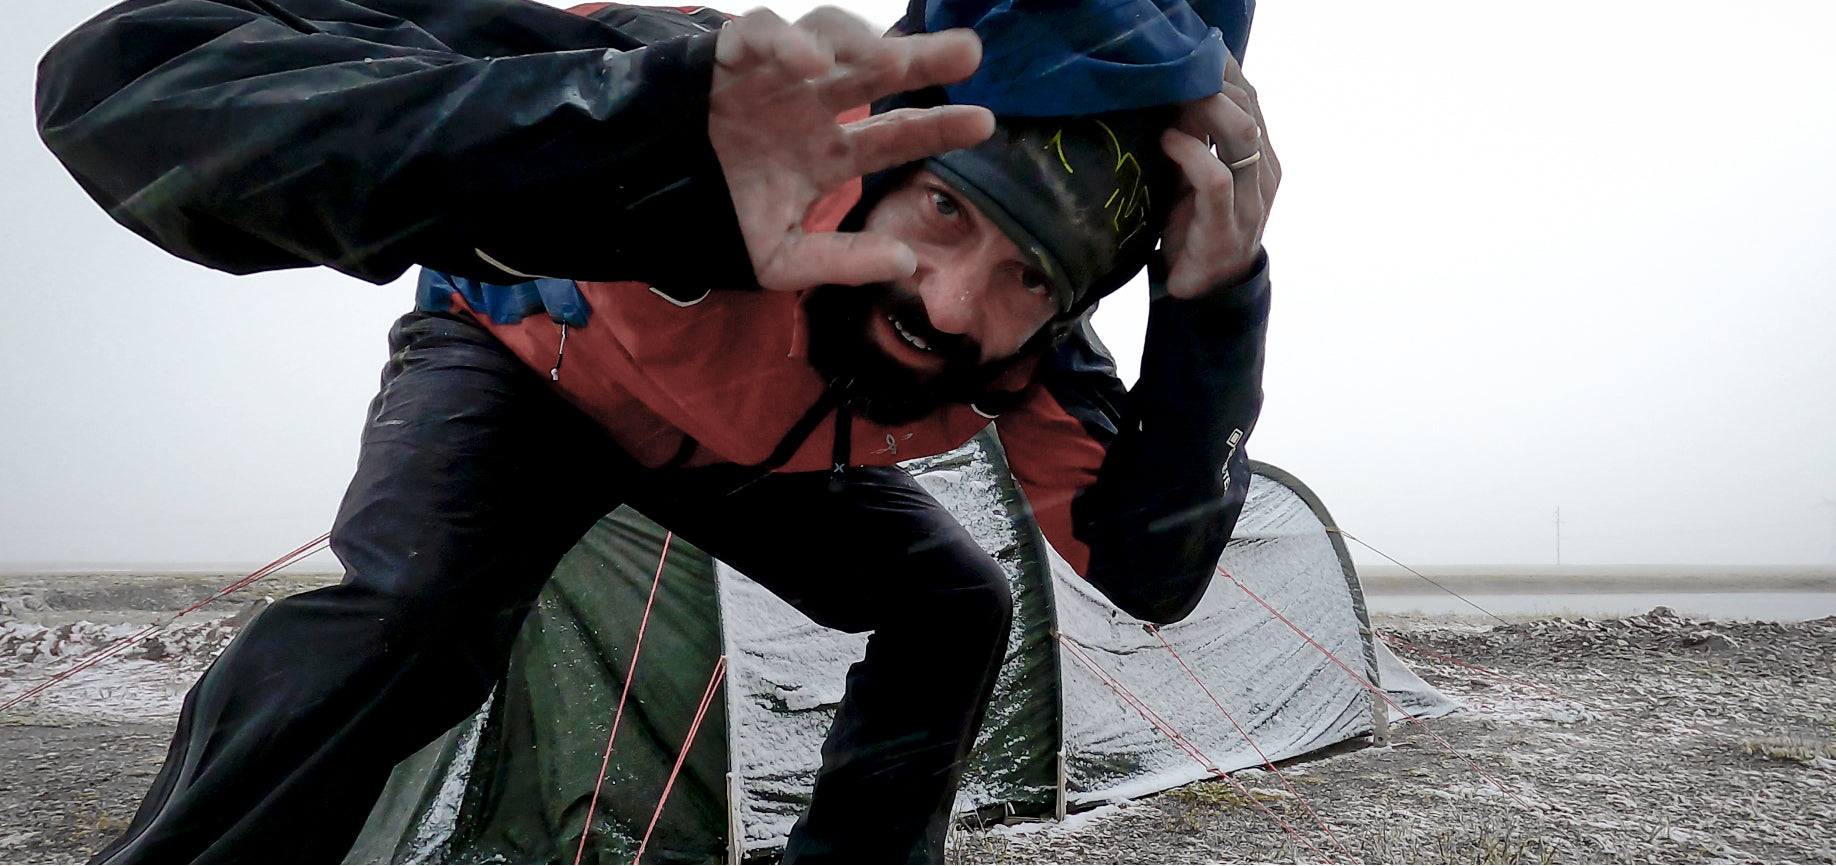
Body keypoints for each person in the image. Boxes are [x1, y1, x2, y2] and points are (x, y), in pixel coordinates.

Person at [37, 0, 1279, 862]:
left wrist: (1213, 309)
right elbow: (125, 85)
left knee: (954, 602)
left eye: (1029, 277)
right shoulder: (718, 103)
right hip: (530, 369)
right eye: (946, 213)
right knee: (415, 614)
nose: (951, 305)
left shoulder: (1027, 354)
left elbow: (1147, 565)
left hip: (738, 456)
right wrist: (633, 134)